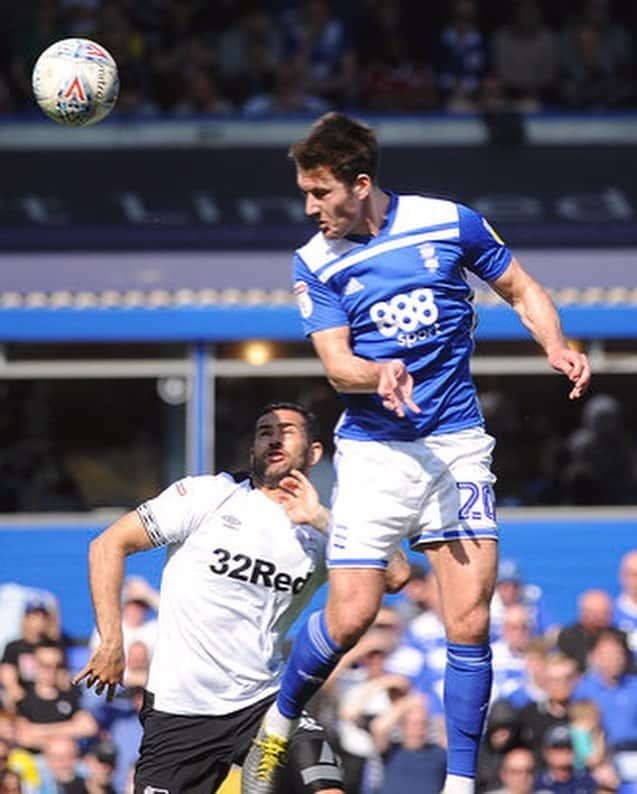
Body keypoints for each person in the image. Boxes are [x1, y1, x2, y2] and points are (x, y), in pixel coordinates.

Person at [241, 111, 591, 794]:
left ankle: (459, 784)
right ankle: (277, 723)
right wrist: (379, 376)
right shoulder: (314, 261)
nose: (309, 208)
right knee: (350, 616)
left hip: (455, 446)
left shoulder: (448, 222)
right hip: (375, 451)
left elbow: (520, 287)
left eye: (320, 193)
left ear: (360, 183)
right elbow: (337, 365)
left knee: (468, 617)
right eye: (304, 193)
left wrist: (555, 343)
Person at [72, 401, 409, 794]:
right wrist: (112, 642)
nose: (274, 438)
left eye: (287, 431)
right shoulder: (208, 495)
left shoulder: (324, 531)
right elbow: (107, 545)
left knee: (326, 787)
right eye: (265, 431)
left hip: (265, 706)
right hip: (180, 711)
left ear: (314, 452)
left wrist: (321, 518)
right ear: (253, 449)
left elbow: (397, 574)